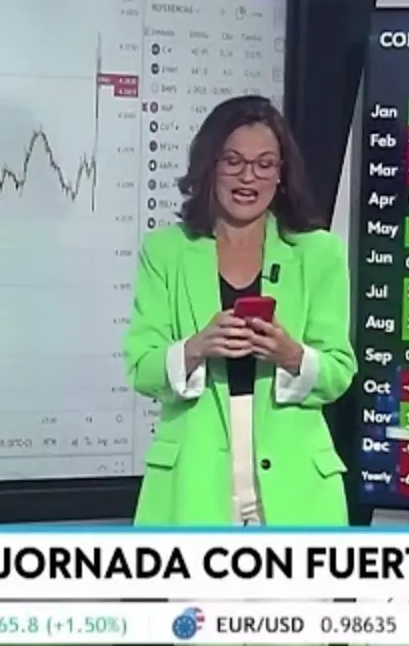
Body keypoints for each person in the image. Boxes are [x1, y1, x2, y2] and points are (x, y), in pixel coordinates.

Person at [124, 95, 357, 527]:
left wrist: (292, 355)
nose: (248, 177)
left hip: (297, 487)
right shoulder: (165, 252)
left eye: (264, 164)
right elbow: (142, 368)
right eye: (233, 161)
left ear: (281, 174)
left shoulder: (319, 253)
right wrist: (195, 348)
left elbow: (339, 372)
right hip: (191, 482)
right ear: (209, 166)